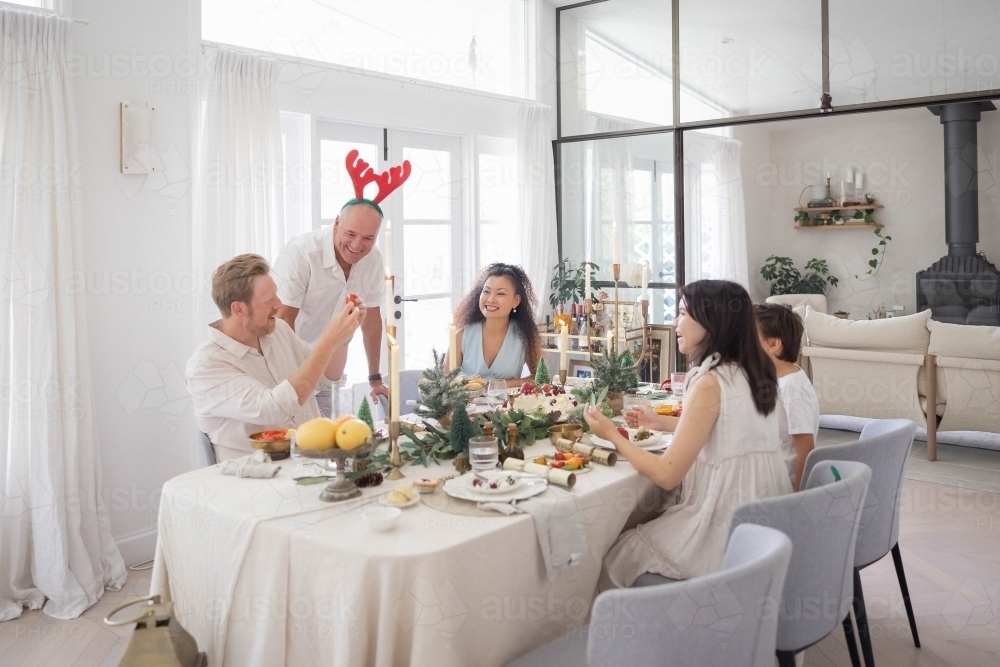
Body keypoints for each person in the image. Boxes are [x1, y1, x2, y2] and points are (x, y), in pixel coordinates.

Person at [584, 280, 793, 588]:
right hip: (763, 521)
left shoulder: (710, 381)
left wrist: (613, 434)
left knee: (618, 553)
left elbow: (667, 474)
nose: (674, 322)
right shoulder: (752, 372)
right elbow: (725, 429)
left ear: (711, 321)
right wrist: (661, 423)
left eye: (682, 313)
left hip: (724, 524)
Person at [187, 254, 365, 462]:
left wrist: (343, 336)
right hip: (255, 482)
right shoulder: (206, 367)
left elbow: (327, 377)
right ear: (238, 309)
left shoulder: (277, 330)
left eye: (276, 295)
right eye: (268, 300)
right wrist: (328, 341)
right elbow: (274, 409)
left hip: (312, 466)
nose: (279, 305)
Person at [273, 149, 411, 413]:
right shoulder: (302, 253)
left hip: (331, 372)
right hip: (291, 369)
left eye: (368, 238)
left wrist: (375, 378)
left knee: (329, 443)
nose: (358, 245)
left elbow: (371, 320)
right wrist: (291, 380)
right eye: (350, 233)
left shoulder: (373, 259)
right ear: (336, 224)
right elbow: (283, 320)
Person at [755, 302, 819, 490]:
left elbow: (805, 450)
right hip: (770, 472)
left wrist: (797, 500)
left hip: (781, 484)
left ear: (773, 344)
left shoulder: (792, 387)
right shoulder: (779, 378)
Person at [451, 263, 541, 387]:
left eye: (501, 294)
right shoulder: (461, 336)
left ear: (516, 301)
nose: (491, 299)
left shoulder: (524, 336)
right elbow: (446, 383)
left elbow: (540, 377)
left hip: (508, 405)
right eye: (486, 291)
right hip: (465, 406)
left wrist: (505, 384)